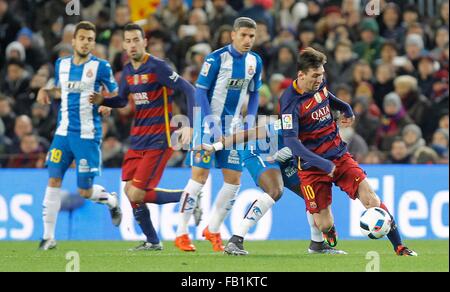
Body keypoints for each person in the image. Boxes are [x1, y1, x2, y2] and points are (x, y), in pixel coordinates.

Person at [279, 47, 417, 256]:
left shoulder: (319, 83)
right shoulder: (289, 103)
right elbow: (291, 142)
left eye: (322, 75)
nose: (319, 80)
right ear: (301, 75)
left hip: (338, 155)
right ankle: (328, 231)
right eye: (315, 76)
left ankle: (400, 246)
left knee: (371, 199)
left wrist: (346, 108)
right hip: (311, 167)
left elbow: (328, 97)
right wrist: (323, 164)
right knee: (323, 223)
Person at [90, 23, 196, 251]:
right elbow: (121, 100)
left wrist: (190, 124)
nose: (131, 45)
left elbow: (189, 89)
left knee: (137, 192)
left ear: (144, 42)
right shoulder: (128, 71)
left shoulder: (158, 67)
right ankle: (152, 241)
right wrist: (104, 101)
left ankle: (189, 197)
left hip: (160, 137)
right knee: (130, 192)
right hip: (137, 139)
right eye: (127, 41)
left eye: (136, 40)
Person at [174, 17, 263, 252]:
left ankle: (212, 229)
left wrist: (250, 120)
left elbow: (254, 94)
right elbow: (200, 93)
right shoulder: (215, 59)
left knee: (234, 181)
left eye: (251, 36)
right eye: (243, 35)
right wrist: (210, 124)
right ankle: (181, 233)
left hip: (232, 129)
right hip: (206, 124)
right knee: (199, 178)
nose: (247, 40)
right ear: (233, 35)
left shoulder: (255, 61)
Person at [201, 120, 347, 255]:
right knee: (275, 190)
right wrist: (216, 146)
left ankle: (317, 245)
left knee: (311, 193)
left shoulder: (325, 136)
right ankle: (235, 241)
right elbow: (252, 133)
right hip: (259, 151)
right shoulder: (291, 123)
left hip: (286, 158)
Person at [36, 21, 122, 250]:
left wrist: (108, 105)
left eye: (90, 39)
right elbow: (61, 90)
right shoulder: (60, 64)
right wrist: (46, 91)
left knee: (84, 191)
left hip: (87, 135)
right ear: (73, 41)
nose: (86, 42)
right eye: (82, 38)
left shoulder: (101, 67)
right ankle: (48, 237)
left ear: (93, 43)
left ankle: (111, 200)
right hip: (62, 134)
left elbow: (114, 93)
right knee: (54, 179)